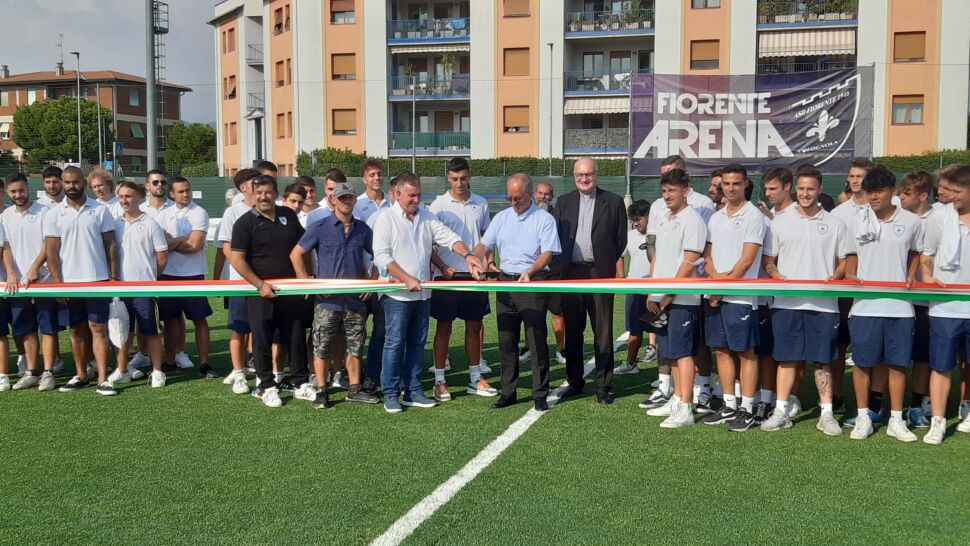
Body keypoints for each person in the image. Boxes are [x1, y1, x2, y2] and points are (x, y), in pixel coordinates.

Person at [371, 173, 483, 413]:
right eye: (411, 195)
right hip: (396, 295)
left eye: (419, 195)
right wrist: (406, 278)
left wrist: (469, 256)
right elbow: (382, 256)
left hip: (423, 295)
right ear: (398, 194)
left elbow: (449, 238)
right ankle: (391, 393)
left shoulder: (426, 216)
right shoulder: (385, 219)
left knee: (418, 343)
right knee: (394, 344)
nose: (416, 200)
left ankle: (414, 390)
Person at [760, 164, 848, 435]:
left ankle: (827, 414)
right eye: (801, 189)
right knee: (786, 359)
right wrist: (776, 275)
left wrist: (835, 275)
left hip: (823, 305)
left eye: (811, 189)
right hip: (786, 304)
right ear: (795, 189)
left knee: (823, 362)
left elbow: (844, 261)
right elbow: (768, 262)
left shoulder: (836, 224)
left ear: (820, 190)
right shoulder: (779, 222)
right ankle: (780, 412)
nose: (806, 194)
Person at [843, 167, 922, 442]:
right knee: (862, 365)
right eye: (869, 192)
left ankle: (896, 420)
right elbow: (851, 254)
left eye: (878, 191)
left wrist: (911, 274)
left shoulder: (912, 222)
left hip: (900, 307)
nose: (873, 197)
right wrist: (851, 274)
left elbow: (914, 252)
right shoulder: (856, 220)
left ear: (893, 192)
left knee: (897, 365)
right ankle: (863, 417)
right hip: (864, 307)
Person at [474, 174, 561, 411]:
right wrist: (474, 259)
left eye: (518, 198)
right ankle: (508, 392)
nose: (513, 202)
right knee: (506, 341)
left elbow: (547, 253)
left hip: (532, 284)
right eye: (509, 197)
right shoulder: (501, 217)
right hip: (505, 283)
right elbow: (485, 244)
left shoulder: (543, 219)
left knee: (535, 339)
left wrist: (530, 272)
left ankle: (540, 394)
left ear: (530, 195)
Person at [291, 182, 379, 408]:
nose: (345, 201)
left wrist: (372, 281)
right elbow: (297, 254)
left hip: (354, 299)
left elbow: (380, 254)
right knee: (322, 345)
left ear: (354, 200)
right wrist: (306, 282)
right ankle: (321, 390)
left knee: (356, 345)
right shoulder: (320, 226)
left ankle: (354, 389)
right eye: (341, 198)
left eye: (349, 197)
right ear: (333, 201)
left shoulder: (363, 229)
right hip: (327, 300)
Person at [229, 175, 310, 408]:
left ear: (275, 193)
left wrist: (304, 279)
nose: (263, 197)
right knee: (262, 339)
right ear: (252, 195)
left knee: (295, 335)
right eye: (259, 193)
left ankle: (300, 383)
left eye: (268, 192)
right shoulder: (244, 223)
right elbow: (236, 259)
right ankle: (265, 386)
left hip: (291, 289)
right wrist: (260, 285)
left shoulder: (288, 215)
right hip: (261, 292)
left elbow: (302, 247)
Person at [555, 157, 628, 404]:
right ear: (574, 177)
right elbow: (556, 239)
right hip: (571, 275)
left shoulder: (614, 202)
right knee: (573, 331)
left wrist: (605, 263)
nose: (584, 179)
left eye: (588, 174)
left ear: (597, 174)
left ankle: (603, 386)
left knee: (603, 331)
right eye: (579, 175)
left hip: (600, 273)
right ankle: (575, 381)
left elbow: (620, 240)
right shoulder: (563, 202)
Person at [698, 164, 765, 432]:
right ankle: (729, 404)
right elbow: (708, 255)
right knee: (722, 350)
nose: (730, 187)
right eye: (726, 183)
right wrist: (713, 280)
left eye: (736, 183)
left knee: (745, 352)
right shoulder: (715, 217)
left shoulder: (754, 216)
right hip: (715, 293)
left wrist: (720, 288)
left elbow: (747, 260)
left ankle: (747, 409)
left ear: (745, 184)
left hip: (740, 297)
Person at [44, 166, 119, 395]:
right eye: (66, 182)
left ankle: (103, 378)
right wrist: (58, 284)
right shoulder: (54, 214)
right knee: (75, 330)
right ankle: (81, 375)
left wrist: (113, 277)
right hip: (69, 282)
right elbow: (51, 252)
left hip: (98, 279)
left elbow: (111, 245)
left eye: (75, 182)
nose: (70, 186)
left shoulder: (100, 210)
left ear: (83, 183)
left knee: (98, 328)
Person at [642, 169, 708, 428]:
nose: (667, 196)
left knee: (683, 353)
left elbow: (690, 261)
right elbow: (657, 256)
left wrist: (669, 294)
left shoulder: (693, 220)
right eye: (664, 191)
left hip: (683, 298)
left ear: (685, 191)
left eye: (672, 191)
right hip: (662, 295)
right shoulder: (664, 218)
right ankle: (677, 398)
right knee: (669, 351)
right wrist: (652, 289)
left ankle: (686, 407)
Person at [428, 157, 496, 401]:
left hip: (474, 277)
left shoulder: (481, 203)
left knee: (474, 327)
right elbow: (430, 246)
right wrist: (443, 267)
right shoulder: (437, 206)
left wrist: (488, 263)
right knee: (444, 328)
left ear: (470, 177)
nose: (459, 183)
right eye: (455, 179)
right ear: (448, 177)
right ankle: (439, 381)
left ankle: (475, 377)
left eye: (463, 178)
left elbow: (487, 240)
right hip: (447, 277)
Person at [920, 164, 970, 444]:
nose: (949, 195)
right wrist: (927, 276)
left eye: (956, 190)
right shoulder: (938, 218)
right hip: (944, 307)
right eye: (947, 189)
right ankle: (937, 421)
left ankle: (967, 408)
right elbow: (928, 255)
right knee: (941, 366)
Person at [3, 174, 61, 391]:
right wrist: (11, 273)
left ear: (28, 189)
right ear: (8, 192)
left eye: (21, 190)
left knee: (47, 328)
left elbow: (49, 244)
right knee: (25, 329)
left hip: (43, 280)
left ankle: (48, 372)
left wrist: (36, 266)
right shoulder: (6, 215)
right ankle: (32, 372)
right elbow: (6, 248)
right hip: (17, 285)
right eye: (14, 192)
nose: (18, 195)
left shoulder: (44, 212)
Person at [752, 167, 801, 423]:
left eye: (773, 188)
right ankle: (769, 398)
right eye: (767, 188)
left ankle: (792, 397)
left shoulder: (797, 215)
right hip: (769, 296)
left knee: (790, 353)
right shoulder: (772, 218)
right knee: (768, 351)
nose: (768, 193)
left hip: (791, 297)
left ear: (787, 187)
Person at [109, 181, 169, 388]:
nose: (125, 200)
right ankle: (123, 369)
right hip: (120, 288)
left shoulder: (151, 224)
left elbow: (161, 256)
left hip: (144, 288)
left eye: (129, 196)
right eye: (121, 196)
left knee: (150, 330)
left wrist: (150, 277)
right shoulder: (114, 224)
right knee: (123, 331)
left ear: (140, 198)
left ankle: (158, 371)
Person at [156, 177, 215, 378]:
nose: (185, 194)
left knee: (200, 320)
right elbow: (161, 245)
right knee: (170, 321)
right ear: (172, 194)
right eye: (180, 191)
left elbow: (194, 247)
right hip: (168, 276)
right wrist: (181, 240)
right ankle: (170, 361)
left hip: (193, 275)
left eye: (187, 190)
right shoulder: (163, 214)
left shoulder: (199, 213)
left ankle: (205, 363)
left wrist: (173, 242)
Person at [830, 158, 874, 416]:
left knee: (868, 348)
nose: (855, 180)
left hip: (874, 290)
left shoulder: (884, 208)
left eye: (860, 176)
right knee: (839, 346)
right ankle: (836, 396)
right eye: (852, 176)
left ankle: (870, 401)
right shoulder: (839, 213)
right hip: (845, 291)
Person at [897, 170, 937, 428]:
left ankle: (916, 405)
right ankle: (888, 406)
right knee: (894, 356)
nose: (900, 197)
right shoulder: (894, 217)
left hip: (926, 301)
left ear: (923, 196)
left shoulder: (939, 219)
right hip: (897, 299)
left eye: (907, 193)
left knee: (923, 356)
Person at [218, 169, 260, 394]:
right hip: (240, 282)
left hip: (265, 281)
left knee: (261, 329)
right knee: (239, 329)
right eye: (254, 183)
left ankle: (264, 372)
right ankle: (240, 373)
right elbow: (226, 247)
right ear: (243, 188)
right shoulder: (233, 213)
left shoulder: (268, 209)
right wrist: (245, 270)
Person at [362, 175, 400, 394]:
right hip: (384, 284)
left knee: (402, 334)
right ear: (393, 194)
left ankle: (398, 375)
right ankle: (372, 375)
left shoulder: (418, 217)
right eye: (396, 194)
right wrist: (371, 279)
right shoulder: (378, 217)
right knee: (381, 331)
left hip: (407, 287)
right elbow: (370, 252)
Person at [523, 181, 566, 365]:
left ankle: (561, 349)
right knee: (530, 312)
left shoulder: (558, 216)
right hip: (531, 273)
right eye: (540, 193)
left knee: (557, 312)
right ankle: (529, 347)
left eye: (547, 194)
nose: (543, 197)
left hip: (553, 273)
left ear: (552, 197)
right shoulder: (525, 214)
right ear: (533, 194)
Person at [614, 200, 654, 375]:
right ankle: (631, 364)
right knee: (634, 330)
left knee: (662, 333)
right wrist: (622, 278)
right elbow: (619, 256)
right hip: (635, 289)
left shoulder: (660, 233)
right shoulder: (630, 236)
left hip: (657, 290)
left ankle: (665, 375)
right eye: (633, 220)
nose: (636, 223)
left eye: (639, 219)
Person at [0, 177, 21, 391]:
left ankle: (3, 376)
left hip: (5, 285)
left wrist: (12, 272)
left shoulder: (2, 219)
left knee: (7, 330)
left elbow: (3, 248)